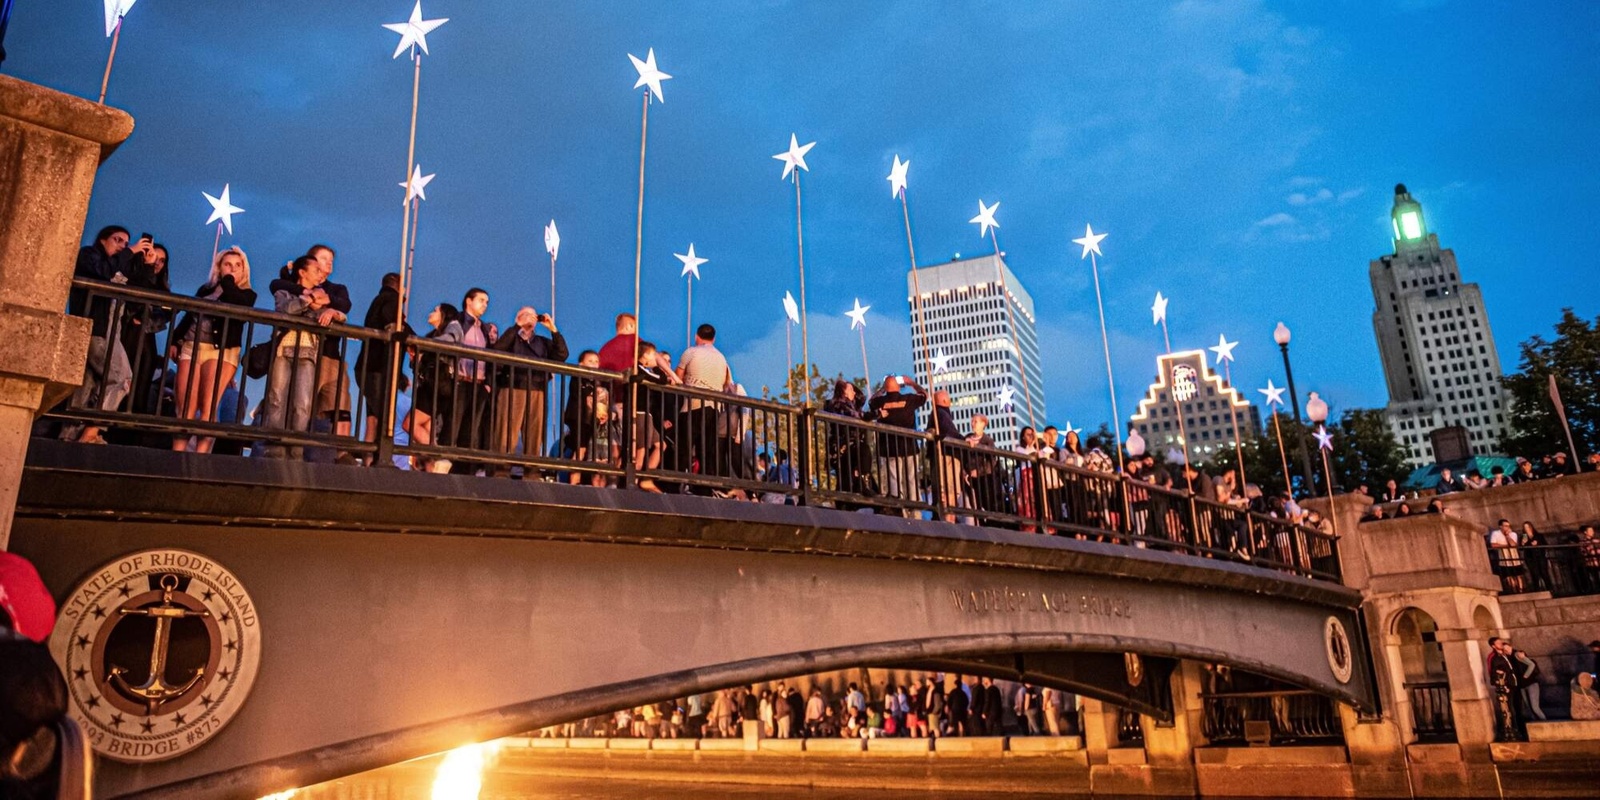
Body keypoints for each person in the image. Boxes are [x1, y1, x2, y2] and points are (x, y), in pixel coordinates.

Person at [169, 247, 257, 453]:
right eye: (228, 264)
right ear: (219, 266)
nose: (233, 269)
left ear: (244, 269)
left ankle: (200, 458)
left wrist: (228, 281)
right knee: (185, 409)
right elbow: (190, 314)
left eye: (238, 265)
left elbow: (237, 304)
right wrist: (175, 338)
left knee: (208, 408)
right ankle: (176, 456)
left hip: (222, 352)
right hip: (192, 345)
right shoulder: (206, 289)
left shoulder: (247, 294)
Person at [63, 225, 146, 444]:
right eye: (117, 240)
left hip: (110, 332)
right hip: (96, 330)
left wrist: (144, 262)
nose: (122, 246)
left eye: (126, 243)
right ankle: (91, 433)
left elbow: (141, 291)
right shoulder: (90, 255)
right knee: (122, 378)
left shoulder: (119, 266)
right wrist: (129, 253)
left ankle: (68, 438)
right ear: (102, 240)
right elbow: (102, 271)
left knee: (88, 384)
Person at [261, 255, 334, 459]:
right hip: (283, 349)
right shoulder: (284, 291)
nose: (321, 275)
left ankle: (295, 452)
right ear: (302, 272)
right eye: (316, 270)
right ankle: (274, 450)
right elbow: (285, 309)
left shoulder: (323, 296)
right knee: (276, 399)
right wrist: (309, 299)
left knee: (302, 404)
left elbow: (335, 314)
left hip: (308, 351)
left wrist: (332, 312)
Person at [489, 306, 568, 476]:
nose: (530, 319)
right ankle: (501, 472)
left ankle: (532, 472)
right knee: (506, 430)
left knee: (535, 431)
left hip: (537, 389)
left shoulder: (542, 342)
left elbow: (562, 354)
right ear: (518, 317)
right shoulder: (511, 338)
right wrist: (517, 326)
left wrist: (553, 329)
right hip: (512, 387)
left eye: (533, 316)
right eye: (526, 315)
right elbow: (497, 350)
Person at [439, 288, 497, 470]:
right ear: (468, 301)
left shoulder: (485, 329)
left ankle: (462, 474)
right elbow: (449, 339)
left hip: (479, 384)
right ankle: (441, 469)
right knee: (452, 427)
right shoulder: (459, 322)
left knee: (470, 432)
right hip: (462, 380)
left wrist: (488, 384)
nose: (485, 305)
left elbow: (490, 357)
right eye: (481, 300)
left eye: (487, 301)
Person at [355, 273, 413, 452]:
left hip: (368, 367)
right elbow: (393, 322)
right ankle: (382, 457)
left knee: (373, 417)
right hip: (379, 368)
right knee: (384, 416)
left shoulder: (379, 299)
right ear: (398, 286)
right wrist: (412, 341)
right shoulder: (391, 299)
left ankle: (368, 458)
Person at [119, 240, 173, 416]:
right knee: (124, 379)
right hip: (127, 334)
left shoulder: (163, 287)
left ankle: (132, 424)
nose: (157, 262)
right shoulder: (133, 275)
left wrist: (146, 320)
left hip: (146, 336)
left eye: (162, 260)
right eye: (154, 256)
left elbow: (167, 312)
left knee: (142, 382)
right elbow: (134, 300)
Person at [404, 303, 459, 473]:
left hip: (437, 385)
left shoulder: (453, 326)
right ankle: (429, 469)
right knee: (426, 427)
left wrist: (423, 344)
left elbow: (452, 340)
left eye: (435, 310)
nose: (431, 312)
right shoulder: (432, 334)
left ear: (444, 314)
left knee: (410, 424)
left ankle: (438, 454)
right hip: (430, 385)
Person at [868, 374, 928, 516]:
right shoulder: (908, 399)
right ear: (898, 386)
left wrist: (882, 389)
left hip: (888, 449)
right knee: (911, 479)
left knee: (893, 480)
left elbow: (871, 401)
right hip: (909, 447)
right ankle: (915, 509)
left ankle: (898, 509)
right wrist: (912, 383)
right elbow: (924, 395)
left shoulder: (880, 402)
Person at [928, 390, 966, 519]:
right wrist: (964, 440)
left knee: (946, 491)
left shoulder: (936, 414)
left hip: (941, 455)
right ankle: (949, 519)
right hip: (947, 455)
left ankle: (947, 517)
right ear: (945, 401)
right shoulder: (941, 414)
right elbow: (950, 432)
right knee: (949, 490)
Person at [1487, 637, 1525, 742]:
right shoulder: (1495, 658)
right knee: (1510, 709)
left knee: (1519, 708)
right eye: (1498, 643)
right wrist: (1504, 686)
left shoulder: (1506, 655)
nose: (1501, 643)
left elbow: (1516, 653)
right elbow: (1494, 673)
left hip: (1515, 684)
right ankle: (1514, 730)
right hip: (1508, 686)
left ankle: (1521, 730)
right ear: (1493, 646)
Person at [1488, 519, 1525, 593]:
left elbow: (1513, 545)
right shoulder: (1496, 533)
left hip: (1514, 557)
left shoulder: (1513, 534)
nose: (1507, 527)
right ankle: (1513, 589)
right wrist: (1505, 545)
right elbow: (1493, 545)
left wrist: (1507, 536)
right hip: (1504, 557)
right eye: (1505, 526)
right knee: (1508, 575)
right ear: (1500, 526)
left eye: (1508, 526)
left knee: (1518, 574)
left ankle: (1521, 589)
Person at [1513, 648, 1546, 721]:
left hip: (1531, 684)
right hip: (1522, 686)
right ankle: (1534, 723)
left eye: (1521, 654)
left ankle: (1545, 722)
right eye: (1518, 655)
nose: (1520, 656)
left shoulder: (1530, 662)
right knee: (1528, 707)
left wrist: (1526, 675)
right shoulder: (1517, 664)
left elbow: (1533, 667)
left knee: (1535, 707)